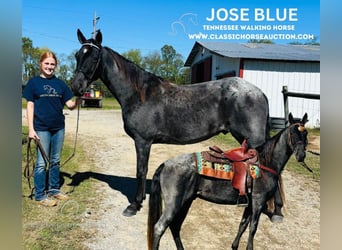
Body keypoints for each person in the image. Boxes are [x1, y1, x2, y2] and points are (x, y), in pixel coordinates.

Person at [23, 51, 81, 207]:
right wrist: (31, 129)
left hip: (58, 128)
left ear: (56, 66)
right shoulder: (33, 83)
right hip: (41, 128)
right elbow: (30, 105)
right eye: (47, 63)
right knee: (42, 163)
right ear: (40, 64)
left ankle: (54, 189)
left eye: (52, 64)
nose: (49, 67)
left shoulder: (60, 84)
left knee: (55, 161)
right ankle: (40, 195)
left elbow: (70, 105)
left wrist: (79, 100)